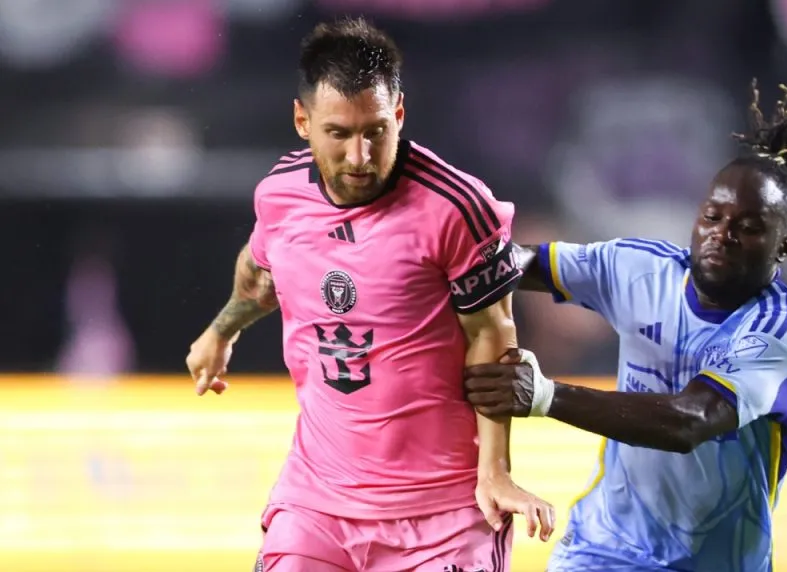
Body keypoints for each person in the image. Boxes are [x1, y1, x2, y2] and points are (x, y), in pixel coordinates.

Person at [184, 17, 554, 572]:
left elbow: (493, 335)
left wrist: (495, 472)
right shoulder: (280, 196)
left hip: (443, 513)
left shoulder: (458, 207)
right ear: (302, 121)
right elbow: (261, 274)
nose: (359, 157)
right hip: (318, 505)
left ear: (399, 114)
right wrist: (221, 331)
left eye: (375, 131)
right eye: (339, 133)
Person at [462, 82, 787, 571]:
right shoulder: (642, 268)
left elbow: (690, 420)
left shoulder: (781, 329)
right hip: (602, 550)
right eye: (712, 216)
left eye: (747, 227)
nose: (721, 235)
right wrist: (443, 252)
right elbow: (520, 264)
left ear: (783, 247)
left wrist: (545, 397)